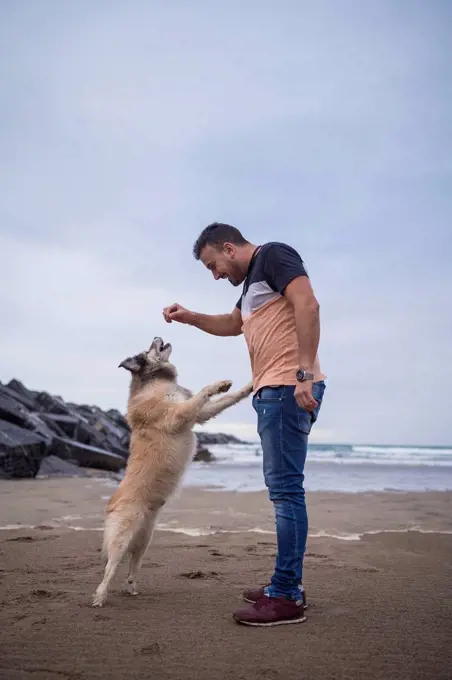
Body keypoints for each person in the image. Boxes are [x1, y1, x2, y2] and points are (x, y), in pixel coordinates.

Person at [163, 222, 326, 627]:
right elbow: (232, 325)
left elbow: (308, 304)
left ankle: (286, 595)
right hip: (275, 392)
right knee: (283, 491)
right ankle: (284, 586)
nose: (215, 274)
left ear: (229, 248)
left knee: (286, 493)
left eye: (212, 265)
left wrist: (303, 374)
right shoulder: (254, 282)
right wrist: (189, 317)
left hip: (288, 388)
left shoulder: (273, 255)